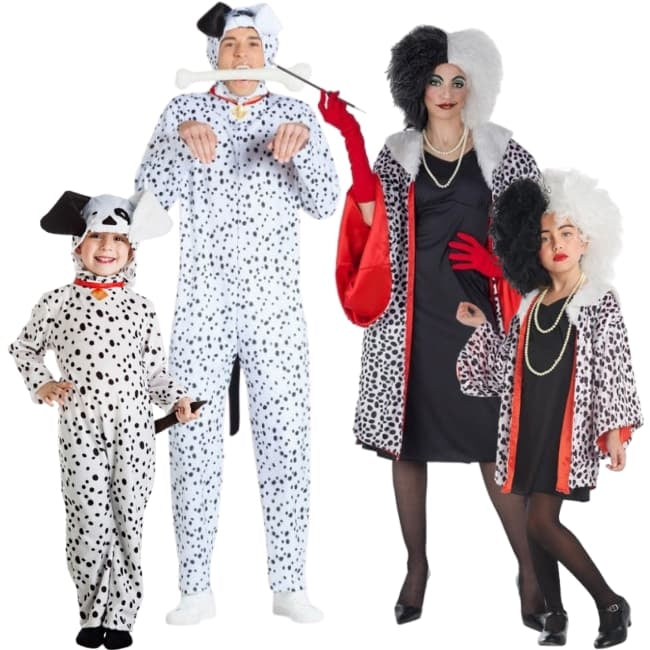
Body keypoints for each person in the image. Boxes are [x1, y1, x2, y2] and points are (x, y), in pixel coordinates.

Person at [319, 26, 545, 625]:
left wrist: (499, 263)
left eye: (457, 81)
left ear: (476, 86)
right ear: (415, 85)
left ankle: (529, 569)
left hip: (476, 316)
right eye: (435, 80)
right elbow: (369, 214)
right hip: (409, 319)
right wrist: (350, 136)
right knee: (408, 441)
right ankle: (416, 566)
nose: (445, 92)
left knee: (493, 444)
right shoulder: (399, 152)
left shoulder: (501, 149)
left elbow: (538, 224)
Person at [135, 2, 338, 624]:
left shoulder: (296, 114)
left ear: (269, 52)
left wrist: (304, 150)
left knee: (286, 437)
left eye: (251, 42)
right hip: (203, 303)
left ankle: (290, 584)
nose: (241, 53)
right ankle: (195, 587)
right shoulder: (182, 110)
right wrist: (177, 146)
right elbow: (144, 215)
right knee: (191, 433)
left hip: (274, 306)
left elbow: (327, 202)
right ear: (213, 54)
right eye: (230, 44)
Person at [456, 170, 643, 647]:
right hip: (526, 427)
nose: (556, 244)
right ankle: (554, 616)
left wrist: (615, 431)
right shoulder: (531, 304)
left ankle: (611, 604)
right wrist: (481, 328)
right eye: (543, 237)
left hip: (565, 431)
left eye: (566, 232)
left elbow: (615, 367)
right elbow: (503, 368)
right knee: (530, 521)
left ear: (587, 238)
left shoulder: (598, 301)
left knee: (541, 521)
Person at [9, 191, 198, 649]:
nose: (107, 247)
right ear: (77, 244)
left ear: (133, 249)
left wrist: (178, 400)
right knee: (88, 520)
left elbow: (155, 373)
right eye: (96, 237)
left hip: (135, 432)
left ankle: (122, 616)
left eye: (118, 239)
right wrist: (42, 384)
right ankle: (91, 613)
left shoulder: (141, 307)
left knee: (128, 520)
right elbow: (24, 348)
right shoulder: (57, 301)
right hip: (80, 430)